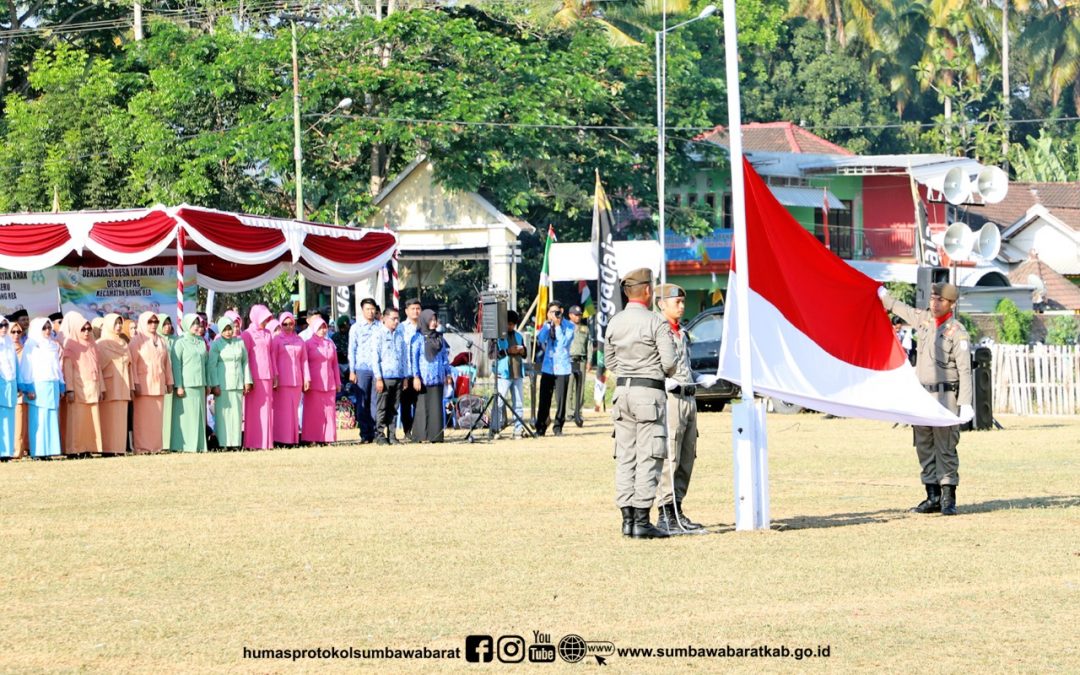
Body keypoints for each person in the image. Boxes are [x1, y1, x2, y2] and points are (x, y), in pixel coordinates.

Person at [880, 282, 973, 516]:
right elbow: (898, 308)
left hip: (946, 396)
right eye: (932, 298)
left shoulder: (957, 332)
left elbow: (965, 370)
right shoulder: (923, 320)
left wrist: (965, 402)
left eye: (940, 300)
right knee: (924, 445)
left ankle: (948, 498)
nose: (934, 303)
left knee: (945, 447)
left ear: (951, 304)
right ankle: (932, 496)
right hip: (922, 395)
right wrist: (881, 293)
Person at [606, 268, 677, 539]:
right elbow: (669, 363)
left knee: (625, 456)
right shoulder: (655, 322)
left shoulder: (615, 322)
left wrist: (628, 371)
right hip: (649, 393)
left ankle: (626, 520)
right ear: (647, 290)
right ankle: (641, 520)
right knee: (649, 455)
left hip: (622, 393)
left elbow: (609, 361)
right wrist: (651, 371)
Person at [652, 284, 705, 534]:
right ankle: (665, 512)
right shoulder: (657, 331)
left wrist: (699, 378)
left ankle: (677, 508)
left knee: (687, 455)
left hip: (688, 397)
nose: (682, 307)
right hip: (670, 398)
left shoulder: (682, 332)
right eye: (677, 302)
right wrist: (661, 381)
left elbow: (685, 365)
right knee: (670, 455)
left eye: (683, 302)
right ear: (661, 304)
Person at [60, 311, 104, 457]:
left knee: (91, 421)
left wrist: (101, 388)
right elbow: (68, 370)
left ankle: (88, 448)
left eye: (88, 329)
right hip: (79, 389)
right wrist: (70, 390)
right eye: (83, 329)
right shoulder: (70, 346)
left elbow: (98, 368)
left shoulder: (92, 345)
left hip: (93, 387)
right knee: (77, 421)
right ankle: (74, 449)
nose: (86, 332)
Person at [19, 318, 64, 458]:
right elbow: (26, 367)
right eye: (44, 328)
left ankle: (51, 451)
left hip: (52, 384)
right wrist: (28, 388)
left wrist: (61, 384)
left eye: (49, 327)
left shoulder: (53, 345)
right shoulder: (31, 344)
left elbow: (57, 367)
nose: (47, 330)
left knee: (51, 417)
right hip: (37, 386)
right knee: (39, 419)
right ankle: (38, 452)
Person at [129, 312, 173, 454]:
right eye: (150, 322)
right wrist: (135, 383)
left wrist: (169, 381)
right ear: (143, 322)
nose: (153, 324)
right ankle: (142, 447)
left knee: (156, 419)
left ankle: (156, 447)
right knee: (143, 419)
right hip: (143, 385)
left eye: (155, 322)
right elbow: (132, 364)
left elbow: (166, 363)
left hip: (159, 383)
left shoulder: (161, 340)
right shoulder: (136, 341)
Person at [208, 317, 252, 450]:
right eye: (225, 329)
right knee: (223, 415)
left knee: (237, 415)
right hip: (222, 385)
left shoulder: (239, 342)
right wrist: (214, 385)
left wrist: (247, 380)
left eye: (230, 329)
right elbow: (211, 366)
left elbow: (245, 362)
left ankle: (236, 443)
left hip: (237, 383)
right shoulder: (216, 344)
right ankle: (223, 443)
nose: (228, 332)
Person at [410, 309, 452, 443]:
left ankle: (436, 436)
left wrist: (448, 373)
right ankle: (421, 436)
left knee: (436, 407)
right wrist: (416, 376)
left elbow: (444, 357)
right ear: (424, 321)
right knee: (422, 407)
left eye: (435, 320)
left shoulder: (439, 338)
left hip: (438, 377)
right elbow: (414, 359)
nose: (434, 322)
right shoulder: (417, 338)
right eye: (431, 320)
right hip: (423, 378)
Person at [170, 314, 209, 453]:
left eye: (198, 323)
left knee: (199, 416)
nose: (196, 326)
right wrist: (179, 385)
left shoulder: (201, 341)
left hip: (200, 384)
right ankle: (184, 445)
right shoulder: (180, 342)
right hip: (186, 385)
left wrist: (207, 383)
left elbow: (206, 364)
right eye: (193, 324)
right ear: (186, 325)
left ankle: (199, 445)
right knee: (187, 417)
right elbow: (176, 365)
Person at [371, 307, 411, 444]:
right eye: (393, 318)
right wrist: (378, 378)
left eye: (397, 318)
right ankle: (380, 435)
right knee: (382, 407)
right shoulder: (378, 334)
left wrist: (405, 377)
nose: (396, 321)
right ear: (384, 319)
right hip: (384, 377)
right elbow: (375, 358)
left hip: (398, 376)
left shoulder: (399, 334)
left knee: (394, 408)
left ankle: (392, 435)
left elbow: (404, 357)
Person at [535, 300, 575, 436]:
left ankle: (558, 427)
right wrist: (547, 325)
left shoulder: (569, 326)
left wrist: (557, 326)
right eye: (551, 312)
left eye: (556, 312)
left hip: (562, 367)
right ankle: (540, 427)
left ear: (561, 311)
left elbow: (564, 343)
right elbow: (541, 339)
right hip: (548, 367)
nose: (554, 315)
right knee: (544, 399)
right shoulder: (547, 325)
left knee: (561, 400)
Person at [96, 313, 133, 456]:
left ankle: (119, 448)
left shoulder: (123, 343)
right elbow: (98, 367)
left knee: (120, 419)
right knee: (109, 418)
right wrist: (100, 387)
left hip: (123, 385)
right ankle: (107, 449)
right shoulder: (101, 343)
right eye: (115, 323)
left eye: (120, 323)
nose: (118, 326)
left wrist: (132, 386)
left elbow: (130, 366)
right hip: (109, 385)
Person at [242, 305, 277, 450]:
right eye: (263, 319)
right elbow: (245, 358)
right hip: (254, 376)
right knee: (254, 411)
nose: (265, 322)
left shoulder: (268, 333)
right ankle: (252, 442)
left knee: (267, 409)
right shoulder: (247, 334)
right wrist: (247, 378)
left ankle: (266, 442)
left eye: (267, 319)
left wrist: (275, 374)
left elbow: (272, 354)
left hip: (267, 375)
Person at [272, 311, 309, 446]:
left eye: (291, 324)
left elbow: (304, 360)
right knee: (282, 411)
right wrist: (275, 376)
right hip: (282, 381)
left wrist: (307, 378)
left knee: (294, 411)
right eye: (285, 324)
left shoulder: (299, 340)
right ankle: (280, 439)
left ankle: (293, 439)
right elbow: (273, 359)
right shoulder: (276, 340)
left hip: (297, 381)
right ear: (280, 325)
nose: (288, 326)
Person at [302, 316, 341, 444]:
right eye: (320, 328)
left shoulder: (330, 344)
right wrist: (306, 379)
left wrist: (338, 382)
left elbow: (335, 364)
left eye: (324, 328)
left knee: (329, 412)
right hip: (314, 383)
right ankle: (312, 437)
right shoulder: (308, 344)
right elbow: (304, 363)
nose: (323, 330)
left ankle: (328, 437)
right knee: (313, 412)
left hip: (329, 383)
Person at [490, 309, 527, 438]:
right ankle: (495, 428)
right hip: (503, 374)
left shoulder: (519, 336)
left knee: (519, 403)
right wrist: (508, 351)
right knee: (499, 402)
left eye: (513, 324)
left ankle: (518, 429)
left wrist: (522, 351)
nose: (510, 326)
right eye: (508, 323)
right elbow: (492, 355)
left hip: (517, 373)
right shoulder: (497, 337)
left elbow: (525, 354)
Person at [348, 298, 380, 443]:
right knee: (362, 402)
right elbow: (352, 350)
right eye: (368, 309)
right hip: (361, 369)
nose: (371, 312)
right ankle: (365, 433)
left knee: (375, 402)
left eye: (373, 309)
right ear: (362, 310)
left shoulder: (380, 327)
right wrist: (352, 370)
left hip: (377, 370)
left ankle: (376, 432)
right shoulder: (356, 328)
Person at [398, 299, 423, 437]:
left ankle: (419, 430)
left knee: (420, 403)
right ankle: (407, 431)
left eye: (418, 308)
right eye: (412, 309)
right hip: (407, 372)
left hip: (422, 372)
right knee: (406, 404)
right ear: (406, 311)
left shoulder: (425, 326)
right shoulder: (401, 327)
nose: (415, 311)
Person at [156, 314, 177, 449]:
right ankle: (162, 442)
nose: (167, 326)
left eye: (169, 323)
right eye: (164, 324)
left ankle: (171, 442)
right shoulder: (155, 340)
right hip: (161, 380)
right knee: (162, 413)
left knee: (173, 414)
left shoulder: (176, 340)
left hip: (174, 380)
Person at [567, 304, 590, 427]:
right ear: (570, 315)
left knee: (580, 388)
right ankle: (568, 412)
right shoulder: (566, 327)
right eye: (575, 315)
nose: (578, 317)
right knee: (569, 387)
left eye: (579, 315)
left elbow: (589, 345)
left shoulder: (585, 329)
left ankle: (578, 412)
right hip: (569, 360)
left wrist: (589, 361)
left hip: (581, 360)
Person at [10, 318, 28, 458]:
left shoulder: (25, 350)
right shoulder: (4, 350)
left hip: (20, 392)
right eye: (13, 332)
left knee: (19, 423)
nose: (16, 334)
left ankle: (18, 451)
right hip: (5, 391)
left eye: (19, 332)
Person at [0, 318, 17, 460]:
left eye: (6, 325)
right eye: (1, 325)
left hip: (10, 385)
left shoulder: (9, 343)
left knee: (9, 420)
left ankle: (7, 453)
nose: (4, 328)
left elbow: (16, 366)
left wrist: (21, 385)